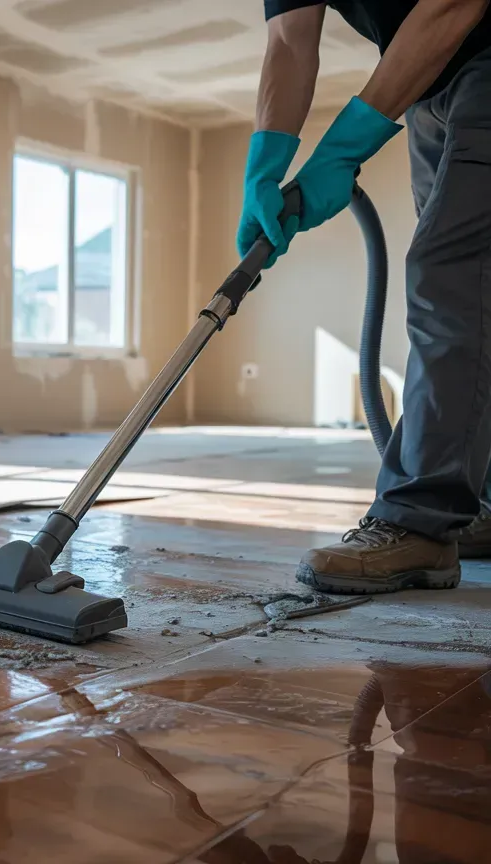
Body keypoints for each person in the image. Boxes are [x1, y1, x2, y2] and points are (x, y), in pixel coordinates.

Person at [243, 0, 491, 594]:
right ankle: (473, 501)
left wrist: (341, 149)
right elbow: (287, 40)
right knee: (474, 295)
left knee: (449, 277)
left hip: (478, 49)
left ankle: (419, 523)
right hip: (430, 85)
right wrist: (264, 162)